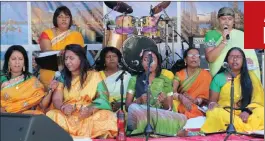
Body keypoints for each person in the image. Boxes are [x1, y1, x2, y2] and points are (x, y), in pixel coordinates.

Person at [46, 44, 117, 138]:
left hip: (87, 113)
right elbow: (56, 99)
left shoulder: (94, 76)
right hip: (68, 114)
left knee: (108, 116)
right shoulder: (63, 77)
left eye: (71, 58)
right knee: (51, 115)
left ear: (81, 59)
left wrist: (90, 110)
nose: (67, 62)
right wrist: (63, 107)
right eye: (66, 59)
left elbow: (103, 98)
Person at [201, 47, 264, 133]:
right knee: (214, 113)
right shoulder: (219, 78)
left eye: (238, 57)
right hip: (226, 113)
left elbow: (258, 99)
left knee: (261, 111)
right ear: (227, 60)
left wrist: (247, 111)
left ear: (243, 60)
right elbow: (213, 102)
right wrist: (212, 104)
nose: (235, 59)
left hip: (246, 112)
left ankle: (239, 128)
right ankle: (245, 129)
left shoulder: (251, 76)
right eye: (231, 57)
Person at [125, 48, 187, 136]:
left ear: (158, 61)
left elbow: (169, 108)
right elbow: (127, 107)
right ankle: (167, 130)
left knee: (182, 118)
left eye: (152, 59)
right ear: (141, 62)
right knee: (134, 108)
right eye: (145, 59)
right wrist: (138, 100)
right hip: (140, 115)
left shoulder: (165, 79)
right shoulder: (134, 79)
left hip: (160, 114)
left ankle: (154, 128)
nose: (148, 62)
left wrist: (164, 101)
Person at [204, 7, 260, 79]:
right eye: (223, 19)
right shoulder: (211, 35)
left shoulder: (241, 35)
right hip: (221, 78)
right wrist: (224, 41)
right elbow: (210, 58)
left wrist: (247, 61)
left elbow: (251, 57)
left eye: (230, 19)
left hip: (241, 78)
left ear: (233, 21)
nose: (226, 22)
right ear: (218, 19)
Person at [38, 6, 84, 90]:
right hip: (50, 73)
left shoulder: (77, 35)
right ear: (55, 18)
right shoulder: (46, 33)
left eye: (67, 17)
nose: (64, 19)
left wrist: (65, 54)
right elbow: (48, 55)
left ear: (70, 19)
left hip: (71, 74)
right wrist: (64, 53)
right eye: (60, 16)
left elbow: (80, 56)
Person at [1, 45, 57, 114]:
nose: (17, 62)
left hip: (27, 118)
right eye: (13, 59)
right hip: (5, 117)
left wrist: (51, 90)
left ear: (24, 62)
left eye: (20, 59)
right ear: (8, 61)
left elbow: (42, 105)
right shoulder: (1, 77)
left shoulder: (31, 80)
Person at [173, 48, 212, 119]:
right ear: (185, 60)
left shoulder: (206, 75)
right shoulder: (179, 75)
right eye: (190, 55)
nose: (194, 57)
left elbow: (211, 98)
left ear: (199, 60)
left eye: (197, 55)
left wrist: (197, 100)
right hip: (183, 104)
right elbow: (172, 93)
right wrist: (181, 97)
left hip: (200, 107)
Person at [95, 47, 131, 112]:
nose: (112, 59)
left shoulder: (126, 75)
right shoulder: (97, 75)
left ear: (118, 59)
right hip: (101, 108)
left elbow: (132, 97)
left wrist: (121, 104)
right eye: (108, 57)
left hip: (123, 109)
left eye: (114, 56)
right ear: (104, 60)